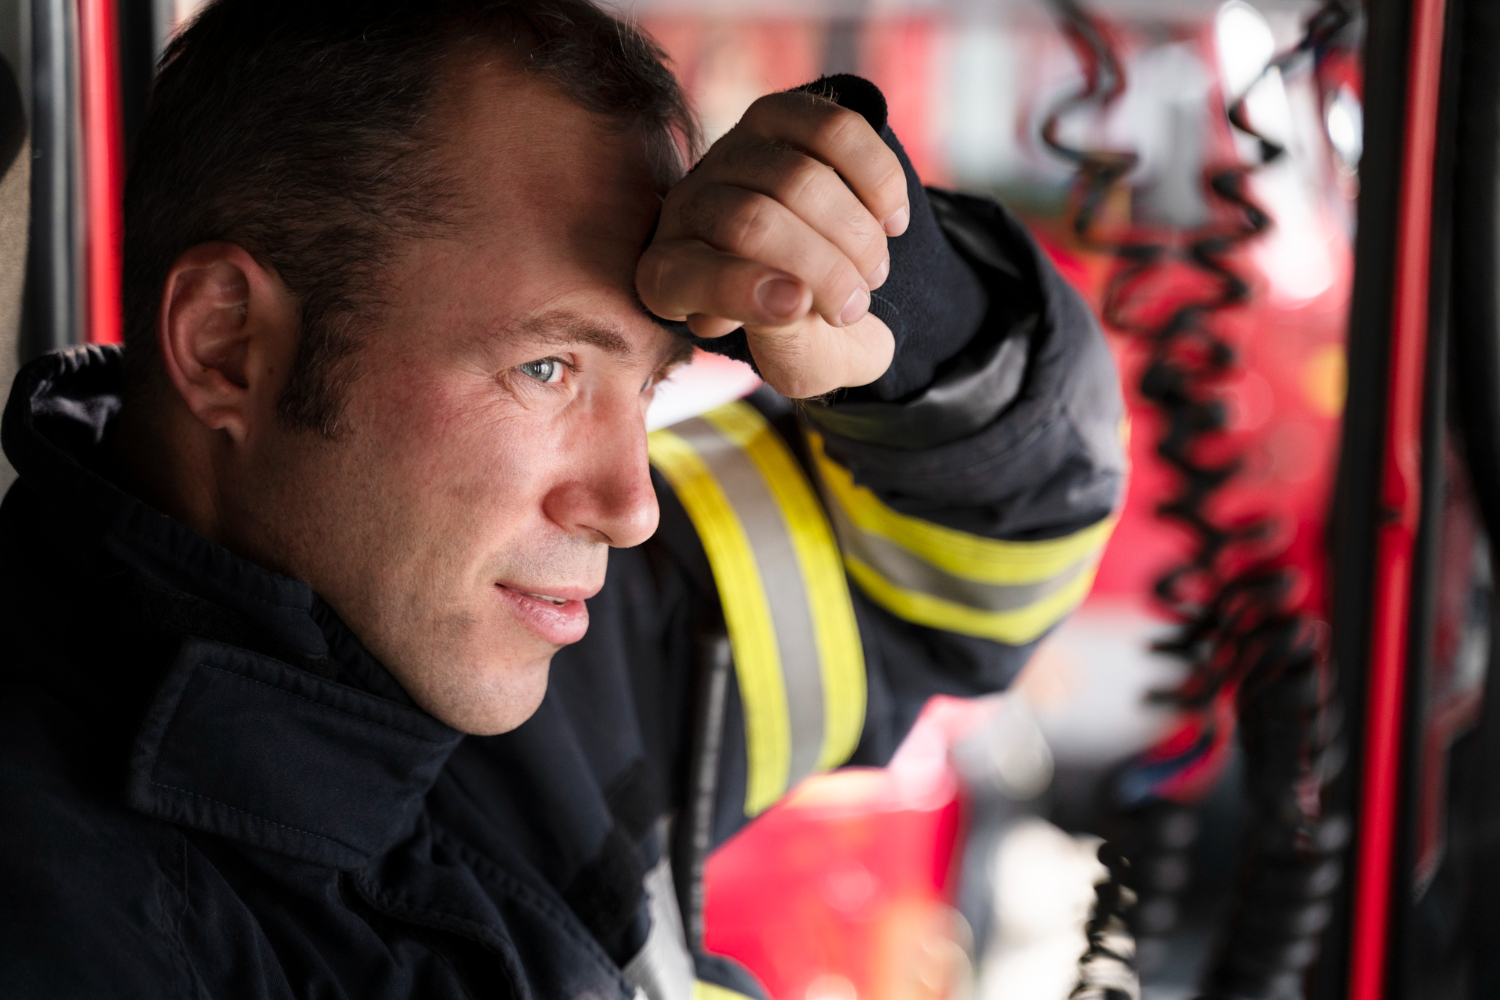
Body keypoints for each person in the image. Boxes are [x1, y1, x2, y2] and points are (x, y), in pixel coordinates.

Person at [0, 0, 1124, 997]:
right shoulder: (69, 922)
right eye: (546, 369)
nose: (627, 505)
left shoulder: (522, 639)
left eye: (645, 383)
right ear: (225, 345)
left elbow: (978, 565)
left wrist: (905, 301)